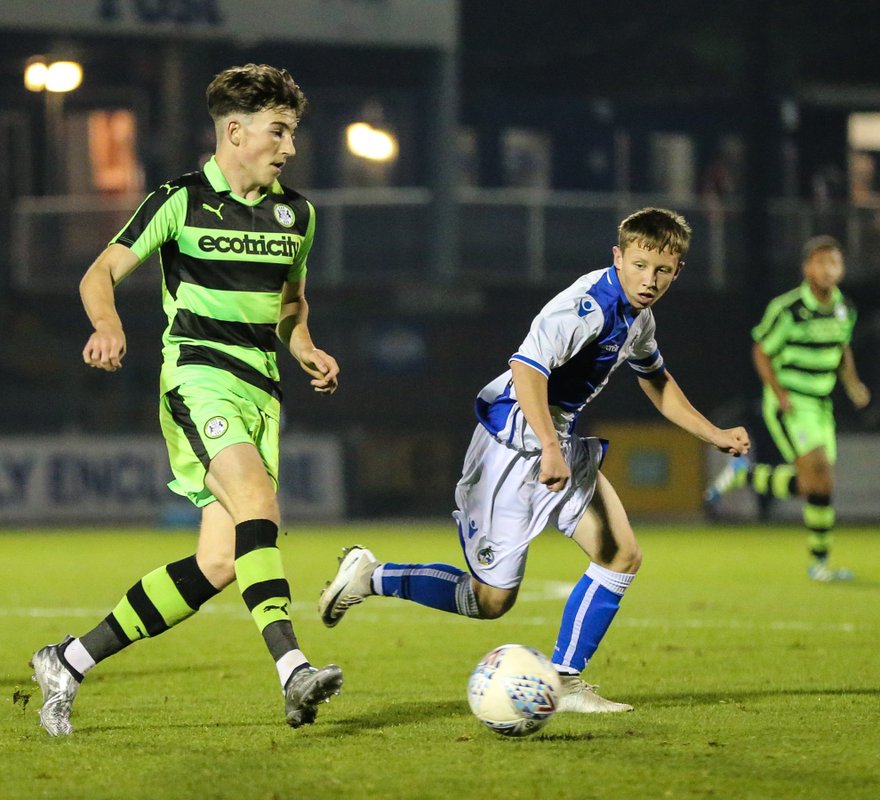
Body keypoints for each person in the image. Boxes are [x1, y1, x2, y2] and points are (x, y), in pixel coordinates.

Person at [320, 207, 751, 712]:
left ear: (678, 270)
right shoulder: (584, 307)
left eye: (662, 271)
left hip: (555, 440)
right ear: (618, 256)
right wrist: (548, 447)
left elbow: (655, 378)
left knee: (620, 555)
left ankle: (565, 680)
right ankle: (370, 575)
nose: (649, 279)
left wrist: (713, 433)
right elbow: (526, 371)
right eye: (639, 265)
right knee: (490, 601)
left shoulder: (640, 316)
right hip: (512, 446)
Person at [29, 64, 343, 735]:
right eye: (278, 131)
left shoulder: (299, 215)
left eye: (292, 132)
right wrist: (108, 324)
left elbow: (290, 303)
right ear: (235, 131)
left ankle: (68, 660)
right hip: (197, 380)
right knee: (259, 503)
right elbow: (101, 272)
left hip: (262, 391)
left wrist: (305, 346)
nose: (289, 147)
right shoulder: (181, 199)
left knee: (220, 563)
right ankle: (293, 671)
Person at [705, 236, 869, 581]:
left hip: (821, 405)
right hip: (792, 403)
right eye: (821, 263)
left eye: (835, 263)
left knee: (818, 485)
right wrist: (778, 392)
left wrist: (852, 384)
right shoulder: (788, 308)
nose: (829, 270)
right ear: (807, 268)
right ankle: (819, 566)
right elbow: (761, 350)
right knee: (818, 473)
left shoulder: (844, 309)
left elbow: (842, 350)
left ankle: (747, 476)